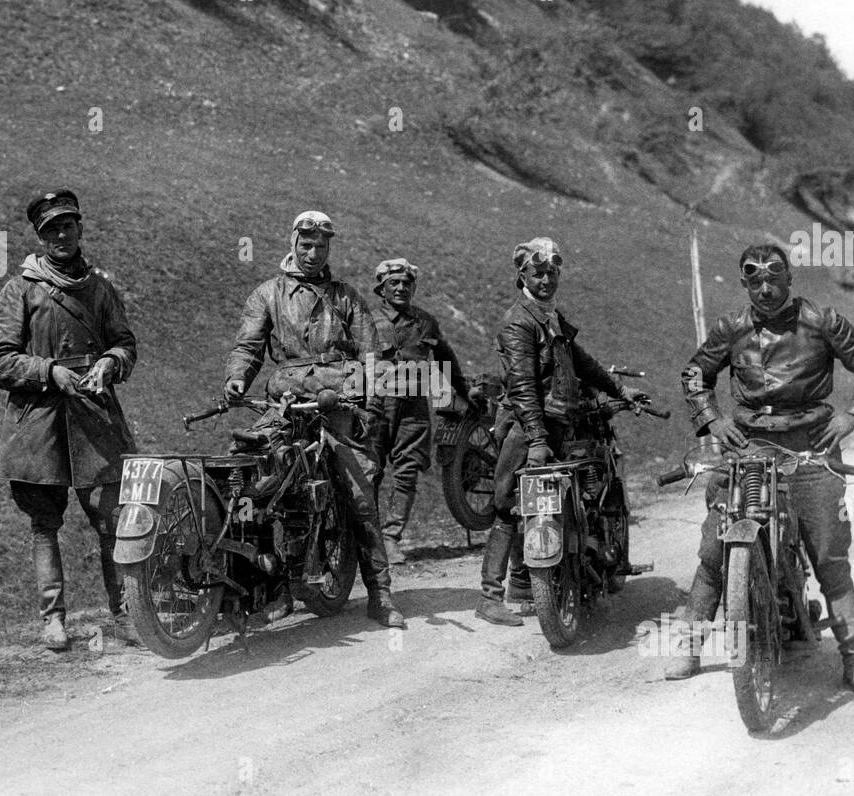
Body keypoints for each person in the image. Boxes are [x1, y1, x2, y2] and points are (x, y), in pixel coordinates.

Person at [665, 243, 854, 695]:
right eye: (755, 281)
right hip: (749, 446)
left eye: (775, 278)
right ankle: (689, 645)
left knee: (829, 556)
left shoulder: (821, 321)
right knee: (715, 546)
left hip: (810, 448)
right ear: (746, 284)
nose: (766, 289)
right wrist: (712, 418)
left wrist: (851, 416)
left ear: (789, 279)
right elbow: (695, 373)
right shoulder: (732, 328)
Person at [224, 211, 405, 628]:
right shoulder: (267, 294)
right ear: (293, 243)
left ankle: (380, 593)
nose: (312, 253)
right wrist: (236, 378)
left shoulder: (346, 297)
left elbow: (373, 356)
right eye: (305, 245)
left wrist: (368, 399)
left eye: (320, 246)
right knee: (254, 480)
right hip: (286, 400)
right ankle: (259, 592)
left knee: (360, 494)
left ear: (328, 249)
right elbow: (249, 347)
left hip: (339, 400)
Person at [0, 189, 138, 651]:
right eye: (51, 229)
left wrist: (111, 362)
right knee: (44, 523)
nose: (61, 236)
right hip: (40, 423)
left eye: (67, 226)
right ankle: (53, 620)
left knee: (112, 519)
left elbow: (126, 343)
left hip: (95, 416)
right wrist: (48, 370)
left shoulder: (100, 288)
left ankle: (126, 612)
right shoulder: (21, 290)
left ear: (80, 229)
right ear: (39, 235)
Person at [477, 237, 645, 626]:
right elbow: (521, 386)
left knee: (561, 502)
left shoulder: (549, 316)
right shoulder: (519, 320)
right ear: (522, 275)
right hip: (525, 426)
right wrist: (536, 439)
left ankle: (526, 584)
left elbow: (580, 361)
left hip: (557, 425)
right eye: (538, 272)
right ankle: (489, 596)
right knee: (508, 505)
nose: (547, 278)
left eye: (553, 271)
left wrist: (619, 388)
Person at [368, 257, 469, 564]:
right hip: (375, 406)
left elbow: (446, 359)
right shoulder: (366, 319)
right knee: (369, 470)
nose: (401, 288)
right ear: (381, 289)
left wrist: (463, 393)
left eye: (406, 283)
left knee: (408, 470)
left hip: (413, 406)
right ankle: (368, 540)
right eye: (393, 284)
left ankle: (391, 537)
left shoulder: (425, 322)